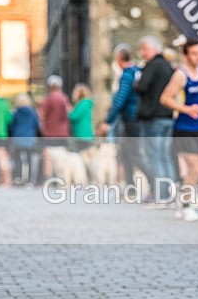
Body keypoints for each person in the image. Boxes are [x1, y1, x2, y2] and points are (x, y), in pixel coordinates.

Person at [159, 39, 198, 222]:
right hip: (183, 127)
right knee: (195, 169)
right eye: (194, 53)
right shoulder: (180, 75)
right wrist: (186, 109)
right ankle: (186, 205)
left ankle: (182, 191)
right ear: (185, 55)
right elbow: (165, 99)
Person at [98, 44, 148, 198]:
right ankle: (130, 187)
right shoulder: (138, 72)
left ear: (119, 58)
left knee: (134, 154)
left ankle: (156, 184)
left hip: (130, 119)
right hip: (137, 117)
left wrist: (108, 120)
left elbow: (120, 99)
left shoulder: (126, 75)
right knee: (125, 153)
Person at [137, 36, 177, 203]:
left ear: (154, 49)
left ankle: (160, 194)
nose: (142, 53)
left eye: (145, 50)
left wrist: (137, 82)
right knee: (165, 155)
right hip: (168, 116)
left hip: (153, 117)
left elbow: (142, 87)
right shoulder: (168, 66)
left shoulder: (152, 66)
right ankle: (172, 193)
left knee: (154, 156)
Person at [40, 75, 71, 180]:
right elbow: (68, 113)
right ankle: (62, 178)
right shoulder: (65, 99)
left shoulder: (49, 99)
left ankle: (48, 178)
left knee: (48, 158)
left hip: (50, 133)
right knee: (62, 156)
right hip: (63, 132)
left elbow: (43, 116)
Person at [9, 93, 40, 186]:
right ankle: (30, 181)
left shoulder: (15, 113)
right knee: (30, 159)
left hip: (18, 138)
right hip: (29, 139)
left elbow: (11, 126)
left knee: (17, 159)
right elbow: (37, 125)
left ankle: (18, 178)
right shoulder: (33, 112)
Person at [70, 83, 94, 152]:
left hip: (82, 134)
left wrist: (69, 111)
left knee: (82, 154)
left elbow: (74, 116)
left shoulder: (83, 104)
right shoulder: (85, 103)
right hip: (85, 134)